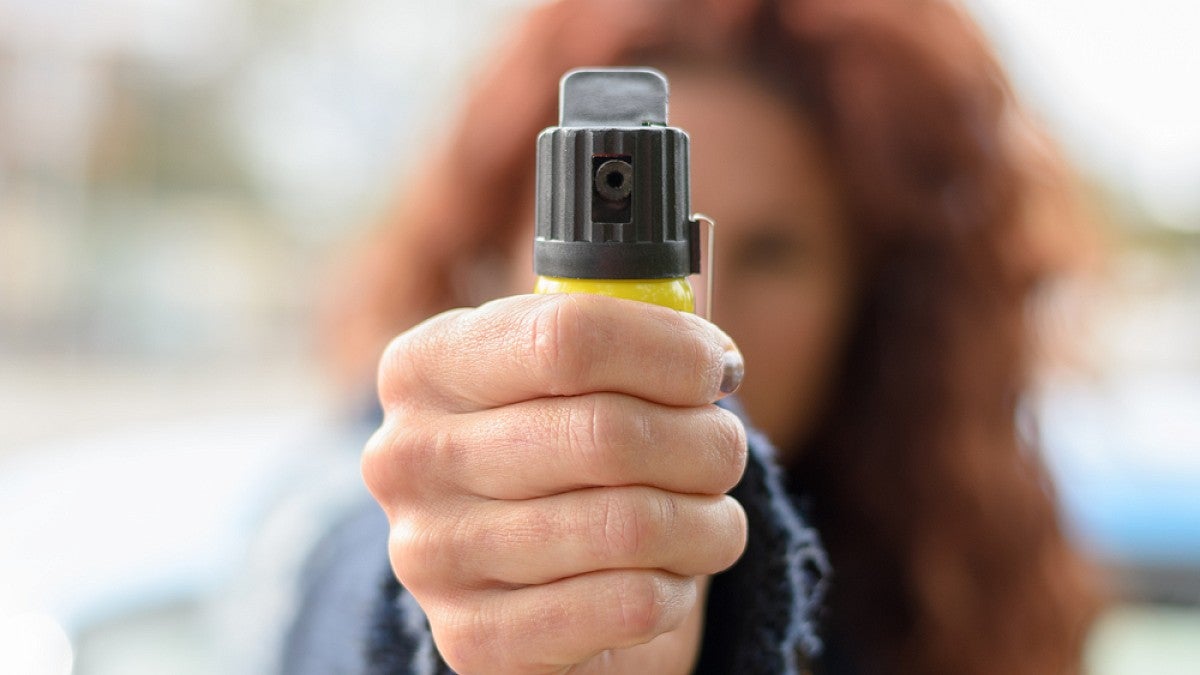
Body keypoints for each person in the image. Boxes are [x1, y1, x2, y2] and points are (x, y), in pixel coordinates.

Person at [287, 0, 1101, 673]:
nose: (701, 316)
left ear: (871, 299)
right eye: (613, 240)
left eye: (773, 252)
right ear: (489, 251)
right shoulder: (366, 475)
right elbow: (321, 582)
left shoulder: (942, 559)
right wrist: (441, 615)